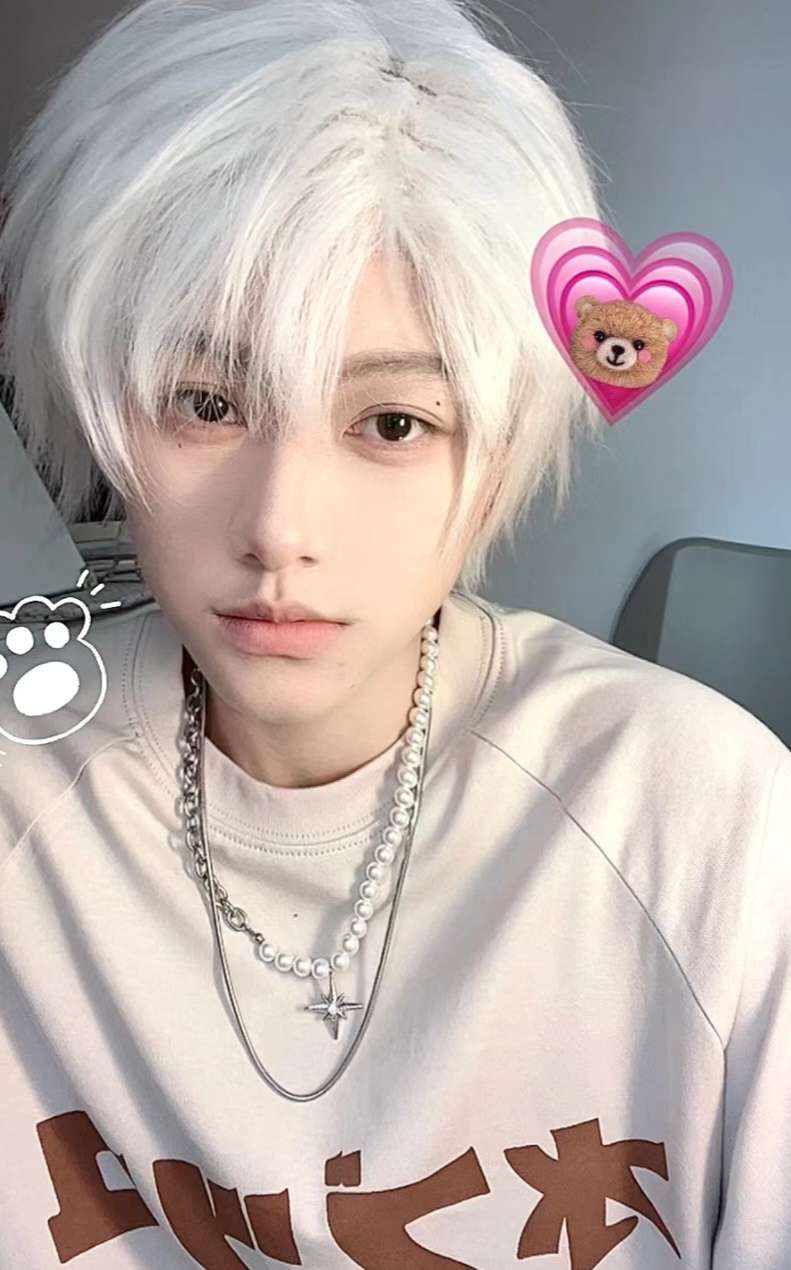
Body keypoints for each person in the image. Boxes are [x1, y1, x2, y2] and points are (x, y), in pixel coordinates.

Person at [0, 0, 789, 1266]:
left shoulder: (702, 820)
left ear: (495, 458)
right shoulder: (24, 790)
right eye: (204, 402)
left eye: (390, 424)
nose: (278, 527)